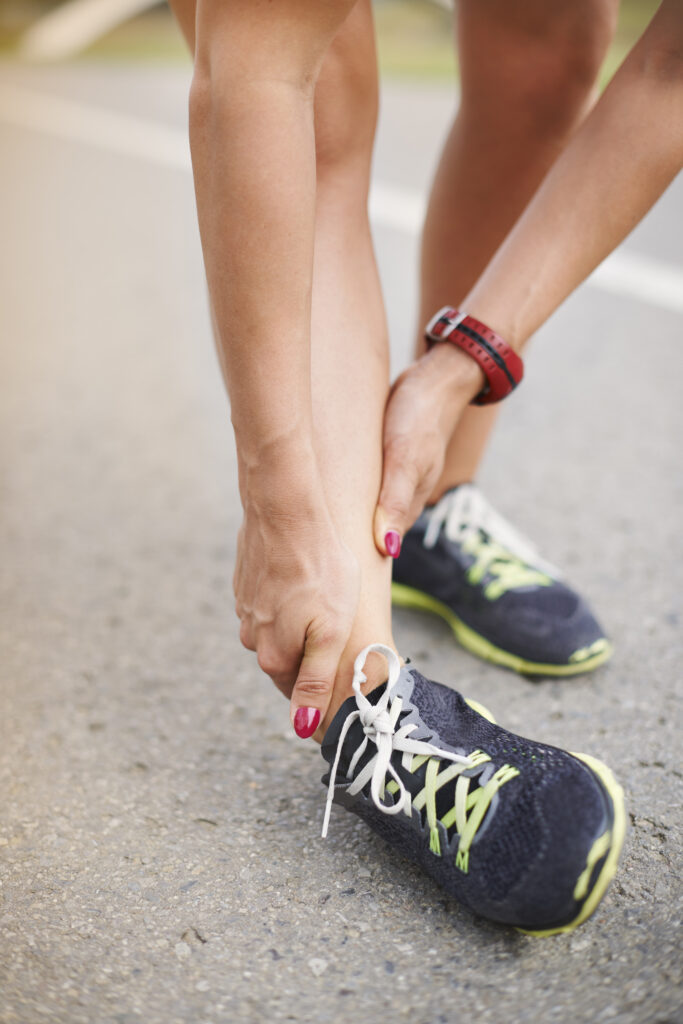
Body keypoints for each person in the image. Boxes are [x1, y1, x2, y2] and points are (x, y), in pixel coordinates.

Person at [166, 0, 682, 931]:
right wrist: (276, 502)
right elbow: (254, 76)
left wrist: (464, 362)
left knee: (548, 60)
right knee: (324, 102)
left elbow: (669, 73)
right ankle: (363, 698)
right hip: (273, 59)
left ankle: (429, 508)